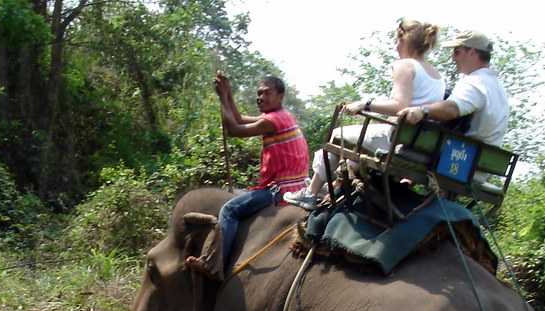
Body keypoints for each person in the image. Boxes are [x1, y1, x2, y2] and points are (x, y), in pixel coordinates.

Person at [284, 19, 444, 210]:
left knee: (337, 134)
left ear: (404, 40)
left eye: (397, 41)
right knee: (355, 144)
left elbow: (399, 105)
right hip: (420, 146)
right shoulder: (437, 75)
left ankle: (310, 193)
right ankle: (334, 187)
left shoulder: (405, 66)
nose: (395, 46)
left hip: (395, 140)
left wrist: (364, 105)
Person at [185, 72, 308, 279]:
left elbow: (234, 129)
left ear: (280, 96)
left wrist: (223, 97)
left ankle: (214, 265)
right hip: (295, 186)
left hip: (280, 190)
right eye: (258, 93)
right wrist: (228, 94)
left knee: (230, 210)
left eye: (266, 93)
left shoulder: (273, 120)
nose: (260, 97)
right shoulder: (281, 116)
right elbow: (240, 118)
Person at [395, 30, 509, 147]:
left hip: (459, 153)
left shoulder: (477, 82)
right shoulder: (496, 85)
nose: (453, 57)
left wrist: (421, 110)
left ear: (472, 52)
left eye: (457, 52)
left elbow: (452, 109)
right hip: (482, 156)